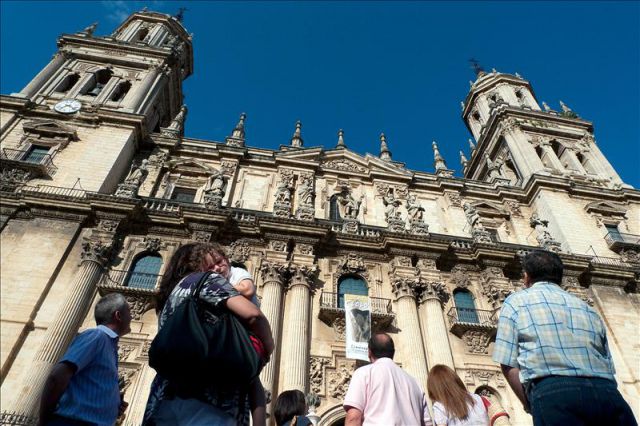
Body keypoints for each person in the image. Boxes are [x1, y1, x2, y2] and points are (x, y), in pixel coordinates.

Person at [492, 250, 637, 426]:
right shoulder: (586, 308)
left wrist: (530, 403)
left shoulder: (515, 302)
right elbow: (608, 361)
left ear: (526, 276)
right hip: (606, 393)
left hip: (554, 393)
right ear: (559, 277)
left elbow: (508, 363)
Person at [143, 242, 275, 426]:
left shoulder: (170, 299)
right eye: (208, 265)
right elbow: (254, 315)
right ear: (195, 266)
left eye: (219, 261)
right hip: (209, 405)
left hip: (166, 399)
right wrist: (267, 350)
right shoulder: (206, 280)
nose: (216, 269)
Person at [38, 293, 132, 426]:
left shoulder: (109, 345)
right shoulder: (96, 336)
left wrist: (113, 403)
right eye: (129, 311)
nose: (132, 317)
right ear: (118, 316)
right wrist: (44, 422)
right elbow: (56, 377)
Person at [343, 333, 433, 426]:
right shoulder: (415, 383)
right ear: (393, 352)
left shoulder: (364, 373)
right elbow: (427, 423)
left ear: (369, 352)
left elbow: (353, 418)